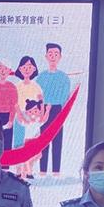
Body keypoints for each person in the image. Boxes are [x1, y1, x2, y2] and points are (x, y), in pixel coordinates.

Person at [37, 43, 71, 177]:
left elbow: (65, 96)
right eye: (50, 53)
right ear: (46, 56)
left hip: (57, 110)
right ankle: (42, 172)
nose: (53, 56)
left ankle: (56, 172)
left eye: (56, 54)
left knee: (57, 140)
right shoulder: (41, 77)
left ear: (60, 57)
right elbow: (38, 95)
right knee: (43, 141)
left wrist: (54, 105)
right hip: (43, 110)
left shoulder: (64, 77)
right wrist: (43, 109)